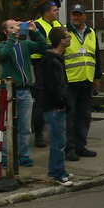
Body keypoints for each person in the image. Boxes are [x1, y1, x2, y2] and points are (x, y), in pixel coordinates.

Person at [0, 19, 47, 168]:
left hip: (25, 90)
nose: (16, 29)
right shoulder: (2, 45)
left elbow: (43, 47)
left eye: (16, 26)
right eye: (11, 27)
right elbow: (4, 55)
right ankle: (6, 157)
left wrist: (34, 31)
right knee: (8, 126)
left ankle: (24, 155)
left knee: (25, 127)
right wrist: (12, 37)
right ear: (5, 32)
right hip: (10, 90)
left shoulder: (25, 45)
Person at [64, 4, 101, 161]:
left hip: (86, 81)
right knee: (70, 116)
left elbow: (96, 57)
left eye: (79, 14)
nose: (76, 17)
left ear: (85, 16)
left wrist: (97, 78)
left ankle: (81, 146)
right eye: (74, 14)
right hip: (70, 81)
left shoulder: (91, 33)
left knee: (84, 116)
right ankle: (69, 148)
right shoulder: (64, 32)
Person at [43, 26, 74, 186]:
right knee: (58, 141)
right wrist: (60, 103)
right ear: (61, 40)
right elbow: (53, 86)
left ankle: (59, 170)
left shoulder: (55, 59)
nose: (70, 39)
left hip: (56, 105)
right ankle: (57, 173)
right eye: (68, 37)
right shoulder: (53, 61)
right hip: (55, 107)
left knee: (59, 140)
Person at [30, 0, 64, 147]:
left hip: (56, 63)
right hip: (41, 65)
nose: (57, 12)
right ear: (47, 12)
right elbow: (40, 46)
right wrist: (55, 46)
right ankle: (38, 134)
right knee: (41, 99)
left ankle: (56, 131)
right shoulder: (37, 25)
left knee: (57, 96)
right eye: (54, 10)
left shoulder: (58, 24)